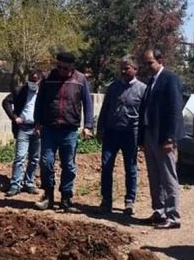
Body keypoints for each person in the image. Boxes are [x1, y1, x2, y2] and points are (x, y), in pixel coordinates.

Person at [34, 52, 94, 212]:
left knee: (68, 165)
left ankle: (66, 199)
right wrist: (37, 121)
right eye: (58, 66)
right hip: (49, 128)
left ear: (72, 67)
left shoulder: (80, 80)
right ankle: (48, 195)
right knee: (46, 162)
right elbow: (39, 101)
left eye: (65, 68)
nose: (61, 70)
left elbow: (88, 104)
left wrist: (88, 125)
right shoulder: (48, 78)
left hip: (69, 130)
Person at [138, 48, 184, 229]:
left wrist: (170, 138)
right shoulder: (151, 81)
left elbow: (174, 110)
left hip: (164, 137)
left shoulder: (170, 79)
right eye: (146, 63)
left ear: (160, 60)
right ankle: (159, 211)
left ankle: (173, 216)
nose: (147, 66)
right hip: (151, 135)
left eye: (150, 63)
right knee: (155, 176)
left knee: (168, 177)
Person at [96, 56, 146, 215]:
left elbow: (145, 115)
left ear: (135, 69)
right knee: (106, 166)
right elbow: (105, 109)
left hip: (131, 134)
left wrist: (143, 137)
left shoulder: (142, 89)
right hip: (111, 132)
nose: (123, 71)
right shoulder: (113, 87)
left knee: (130, 168)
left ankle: (129, 201)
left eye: (127, 68)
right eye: (122, 68)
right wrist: (100, 129)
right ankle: (106, 201)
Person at [1, 69, 42, 197]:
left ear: (39, 81)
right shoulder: (20, 91)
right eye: (30, 80)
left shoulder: (43, 93)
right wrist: (14, 117)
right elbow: (6, 102)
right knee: (20, 157)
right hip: (23, 128)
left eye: (35, 81)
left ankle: (29, 183)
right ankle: (15, 185)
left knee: (34, 158)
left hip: (37, 128)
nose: (32, 83)